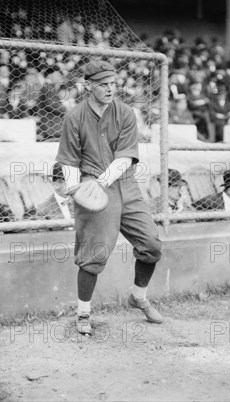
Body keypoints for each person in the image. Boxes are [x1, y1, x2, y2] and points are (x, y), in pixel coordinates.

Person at [56, 59, 163, 335]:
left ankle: (138, 296)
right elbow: (68, 159)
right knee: (93, 254)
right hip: (91, 183)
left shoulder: (126, 113)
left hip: (123, 183)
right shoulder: (74, 117)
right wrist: (73, 187)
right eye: (103, 84)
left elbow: (126, 157)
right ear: (89, 86)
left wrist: (102, 182)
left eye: (113, 83)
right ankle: (83, 313)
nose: (109, 89)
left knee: (151, 244)